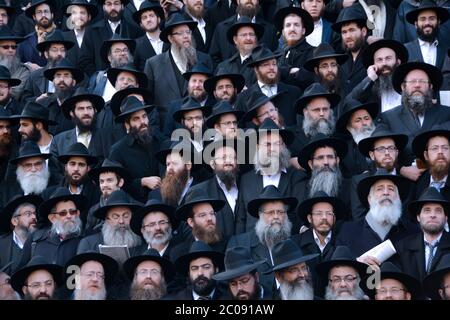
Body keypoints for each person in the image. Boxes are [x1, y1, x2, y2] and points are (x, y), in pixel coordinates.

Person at [376, 62, 450, 182]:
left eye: (422, 81)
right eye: (412, 82)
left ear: (430, 87)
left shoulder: (446, 114)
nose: (417, 85)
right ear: (403, 87)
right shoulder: (388, 117)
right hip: (404, 186)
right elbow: (381, 150)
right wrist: (401, 169)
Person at [235, 118, 305, 233]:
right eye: (267, 144)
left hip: (286, 244)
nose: (272, 149)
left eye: (277, 144)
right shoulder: (246, 179)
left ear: (283, 147)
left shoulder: (296, 177)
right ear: (258, 147)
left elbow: (298, 216)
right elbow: (241, 219)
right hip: (253, 247)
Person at [229, 185, 298, 298]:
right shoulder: (239, 243)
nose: (276, 217)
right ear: (260, 215)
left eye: (280, 212)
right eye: (270, 212)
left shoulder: (295, 244)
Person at [337, 169, 418, 258]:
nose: (386, 193)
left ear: (398, 197)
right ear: (369, 198)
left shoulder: (413, 232)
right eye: (379, 189)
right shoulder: (348, 232)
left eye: (391, 189)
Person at [144, 12, 213, 110]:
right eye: (180, 33)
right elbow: (149, 101)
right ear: (170, 38)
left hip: (197, 119)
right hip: (166, 122)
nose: (186, 36)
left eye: (188, 32)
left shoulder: (204, 59)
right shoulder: (153, 64)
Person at [108, 96, 160, 202]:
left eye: (144, 116)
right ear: (127, 125)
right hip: (134, 206)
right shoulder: (118, 151)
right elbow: (117, 183)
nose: (142, 122)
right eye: (136, 119)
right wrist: (142, 182)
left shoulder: (160, 141)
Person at [19, 187, 86, 267]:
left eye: (72, 212)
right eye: (63, 213)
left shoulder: (85, 240)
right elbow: (22, 270)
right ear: (52, 218)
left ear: (77, 214)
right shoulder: (35, 239)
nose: (69, 216)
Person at [395, 187, 450, 281]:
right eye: (427, 210)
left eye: (438, 210)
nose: (433, 215)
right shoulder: (403, 246)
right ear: (418, 217)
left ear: (446, 218)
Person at [78, 0, 142, 76]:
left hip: (128, 80)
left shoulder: (135, 31)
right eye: (109, 4)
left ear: (122, 6)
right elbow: (84, 60)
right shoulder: (92, 31)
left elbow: (139, 58)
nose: (113, 7)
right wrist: (97, 76)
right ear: (103, 7)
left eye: (116, 3)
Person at [348, 39, 408, 113]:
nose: (384, 63)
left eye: (388, 58)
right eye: (379, 60)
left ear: (398, 62)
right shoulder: (370, 88)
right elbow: (349, 102)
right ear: (373, 65)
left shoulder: (409, 85)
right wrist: (370, 78)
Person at [77, 189, 142, 255]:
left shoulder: (142, 244)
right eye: (115, 217)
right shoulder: (89, 244)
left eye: (126, 216)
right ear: (107, 219)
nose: (121, 221)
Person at [0, 195, 42, 274]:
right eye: (28, 214)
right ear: (15, 221)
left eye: (35, 213)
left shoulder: (43, 241)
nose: (34, 217)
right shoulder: (1, 244)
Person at [404, 0, 449, 70]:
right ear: (416, 24)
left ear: (438, 22)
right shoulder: (405, 50)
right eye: (423, 19)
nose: (427, 23)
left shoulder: (447, 50)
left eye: (432, 18)